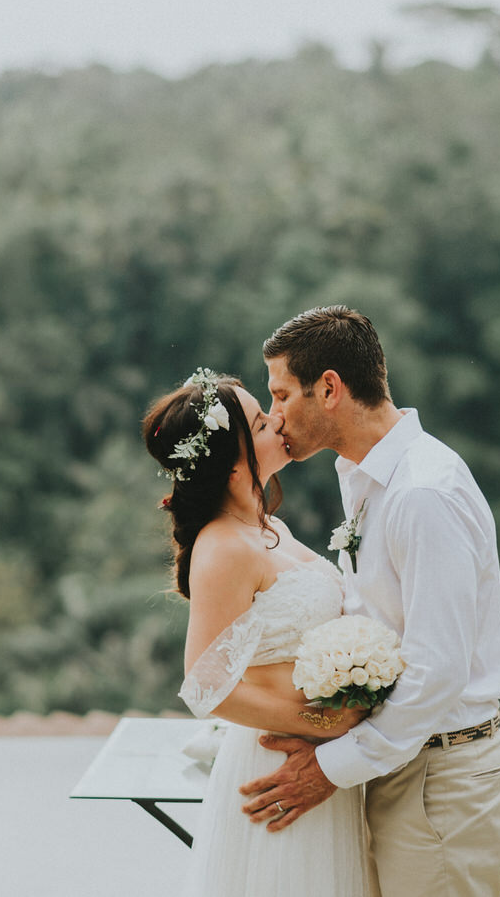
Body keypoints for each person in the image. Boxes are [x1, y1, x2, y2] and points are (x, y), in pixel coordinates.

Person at [239, 305, 500, 897]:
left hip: (441, 779)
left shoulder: (422, 494)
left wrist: (329, 770)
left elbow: (437, 669)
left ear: (330, 389)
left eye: (282, 394)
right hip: (405, 764)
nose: (274, 415)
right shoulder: (367, 476)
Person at [142, 368, 373, 897]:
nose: (280, 421)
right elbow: (206, 686)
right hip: (277, 763)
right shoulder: (224, 547)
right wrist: (323, 722)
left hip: (321, 761)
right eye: (263, 422)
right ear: (232, 462)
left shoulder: (271, 529)